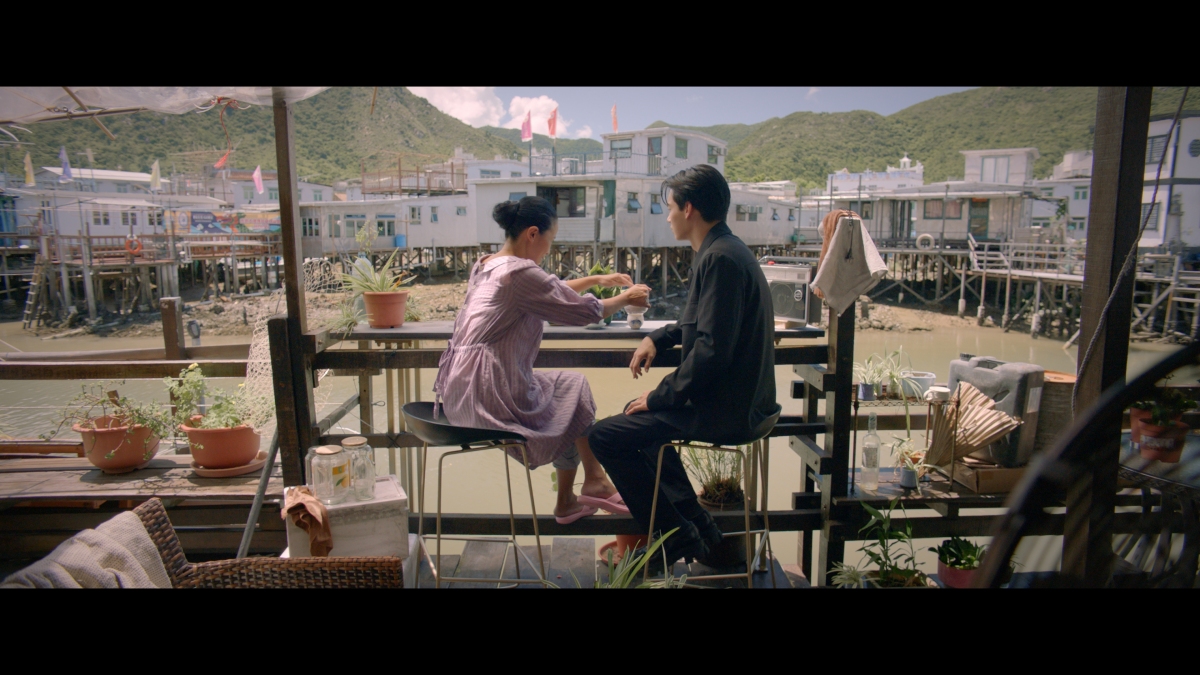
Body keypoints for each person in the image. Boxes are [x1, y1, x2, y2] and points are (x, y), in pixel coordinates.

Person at [587, 164, 782, 570]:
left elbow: (712, 350)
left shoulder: (721, 259)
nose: (668, 216)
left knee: (603, 436)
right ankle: (697, 525)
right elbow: (702, 324)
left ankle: (674, 533)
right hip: (738, 401)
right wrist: (658, 338)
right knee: (635, 420)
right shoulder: (721, 251)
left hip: (729, 410)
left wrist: (660, 396)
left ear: (689, 208)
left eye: (670, 207)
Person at [433, 196, 651, 524]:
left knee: (566, 396)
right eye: (551, 239)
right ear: (533, 234)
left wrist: (595, 280)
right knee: (572, 389)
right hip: (487, 394)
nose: (550, 248)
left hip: (457, 392)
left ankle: (574, 496)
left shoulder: (487, 264)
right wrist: (626, 298)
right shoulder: (520, 272)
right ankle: (590, 482)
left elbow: (547, 291)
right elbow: (581, 311)